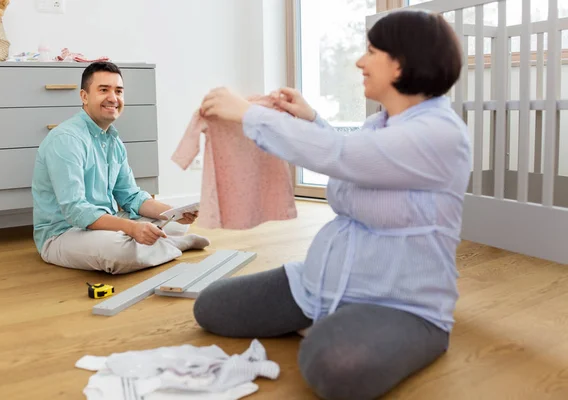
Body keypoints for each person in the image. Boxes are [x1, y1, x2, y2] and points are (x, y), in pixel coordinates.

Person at [192, 9, 471, 400]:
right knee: (211, 307)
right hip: (322, 282)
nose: (360, 61)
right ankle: (330, 318)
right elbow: (356, 159)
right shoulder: (380, 126)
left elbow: (345, 156)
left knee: (334, 365)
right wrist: (312, 120)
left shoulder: (439, 134)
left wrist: (248, 114)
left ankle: (369, 331)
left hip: (402, 304)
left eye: (371, 51)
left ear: (400, 63)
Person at [32, 61, 207, 275]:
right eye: (104, 90)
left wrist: (174, 213)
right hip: (64, 234)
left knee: (176, 224)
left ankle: (164, 241)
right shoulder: (66, 139)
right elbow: (76, 210)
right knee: (122, 251)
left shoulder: (112, 140)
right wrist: (132, 228)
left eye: (119, 91)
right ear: (84, 96)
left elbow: (131, 196)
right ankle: (174, 244)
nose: (113, 98)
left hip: (103, 223)